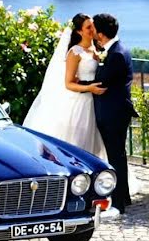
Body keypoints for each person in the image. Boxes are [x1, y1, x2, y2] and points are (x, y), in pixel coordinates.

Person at [23, 13, 108, 160]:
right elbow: (68, 83)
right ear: (79, 31)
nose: (92, 30)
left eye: (93, 26)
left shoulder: (95, 50)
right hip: (80, 102)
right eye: (88, 27)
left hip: (95, 102)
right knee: (78, 142)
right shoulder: (75, 52)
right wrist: (89, 88)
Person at [92, 13, 137, 213]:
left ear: (100, 34)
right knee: (118, 155)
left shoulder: (116, 54)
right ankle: (123, 197)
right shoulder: (116, 50)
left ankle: (118, 203)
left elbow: (102, 83)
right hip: (116, 111)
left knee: (115, 157)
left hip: (113, 113)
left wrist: (78, 85)